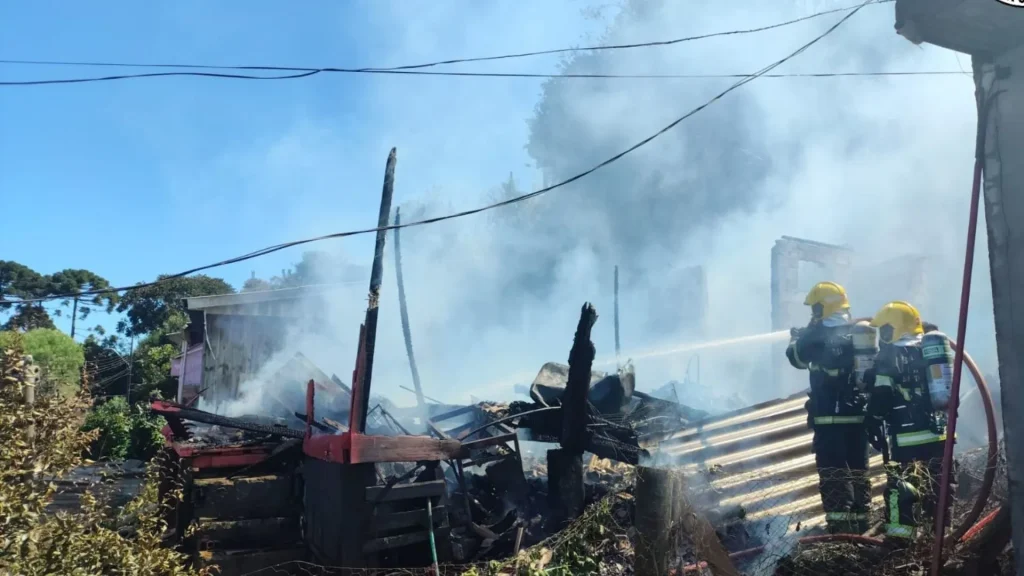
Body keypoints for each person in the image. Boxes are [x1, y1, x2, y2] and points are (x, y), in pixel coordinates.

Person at [786, 281, 876, 534]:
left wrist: (797, 338)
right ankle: (862, 521)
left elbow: (796, 358)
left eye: (815, 307)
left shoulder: (816, 335)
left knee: (833, 471)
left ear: (822, 307)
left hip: (830, 419)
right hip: (859, 417)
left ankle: (839, 525)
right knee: (859, 469)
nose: (813, 312)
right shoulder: (858, 333)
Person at [865, 301, 955, 542]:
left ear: (893, 328)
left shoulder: (890, 355)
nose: (881, 335)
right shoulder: (929, 348)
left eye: (884, 329)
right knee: (940, 485)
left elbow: (882, 396)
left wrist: (871, 420)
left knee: (902, 489)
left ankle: (901, 541)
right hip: (940, 435)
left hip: (907, 441)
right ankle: (941, 536)